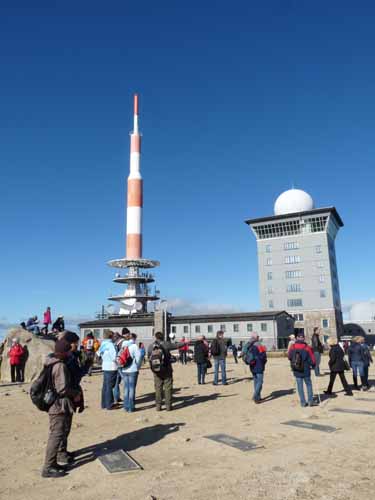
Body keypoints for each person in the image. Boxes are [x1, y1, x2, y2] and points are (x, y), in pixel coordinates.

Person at [42, 332, 83, 478]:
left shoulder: (52, 361)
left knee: (60, 432)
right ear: (65, 351)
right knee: (57, 434)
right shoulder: (59, 365)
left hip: (58, 404)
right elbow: (62, 388)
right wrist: (75, 394)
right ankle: (48, 467)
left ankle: (59, 456)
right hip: (58, 405)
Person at [147, 331, 184, 411]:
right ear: (163, 337)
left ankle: (158, 406)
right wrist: (185, 342)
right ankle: (168, 406)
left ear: (155, 337)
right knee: (168, 387)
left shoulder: (150, 346)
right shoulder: (166, 344)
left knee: (158, 387)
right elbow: (176, 345)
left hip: (156, 370)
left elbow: (149, 357)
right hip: (167, 368)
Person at [288, 332, 318, 407]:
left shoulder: (293, 346)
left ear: (297, 338)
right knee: (308, 384)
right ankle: (310, 401)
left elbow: (289, 356)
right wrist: (313, 365)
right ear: (303, 338)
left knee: (300, 386)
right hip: (305, 369)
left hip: (296, 368)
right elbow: (312, 359)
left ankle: (303, 402)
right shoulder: (307, 347)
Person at [118, 332, 141, 412]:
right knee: (131, 389)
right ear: (133, 339)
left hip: (124, 369)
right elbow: (138, 358)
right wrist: (138, 367)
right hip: (132, 369)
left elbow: (119, 357)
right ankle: (131, 407)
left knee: (126, 389)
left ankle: (125, 406)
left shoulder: (123, 346)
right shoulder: (134, 346)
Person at [244, 333, 267, 403]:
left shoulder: (248, 344)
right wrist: (264, 362)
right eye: (258, 336)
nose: (259, 337)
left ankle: (258, 397)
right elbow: (263, 355)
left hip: (252, 365)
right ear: (256, 337)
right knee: (260, 381)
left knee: (256, 381)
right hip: (259, 364)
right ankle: (255, 396)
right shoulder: (259, 345)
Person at [97, 331, 117, 410]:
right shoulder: (111, 345)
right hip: (111, 366)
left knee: (105, 386)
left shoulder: (103, 344)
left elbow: (99, 354)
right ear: (111, 336)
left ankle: (104, 404)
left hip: (105, 366)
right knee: (109, 386)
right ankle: (109, 404)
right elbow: (114, 357)